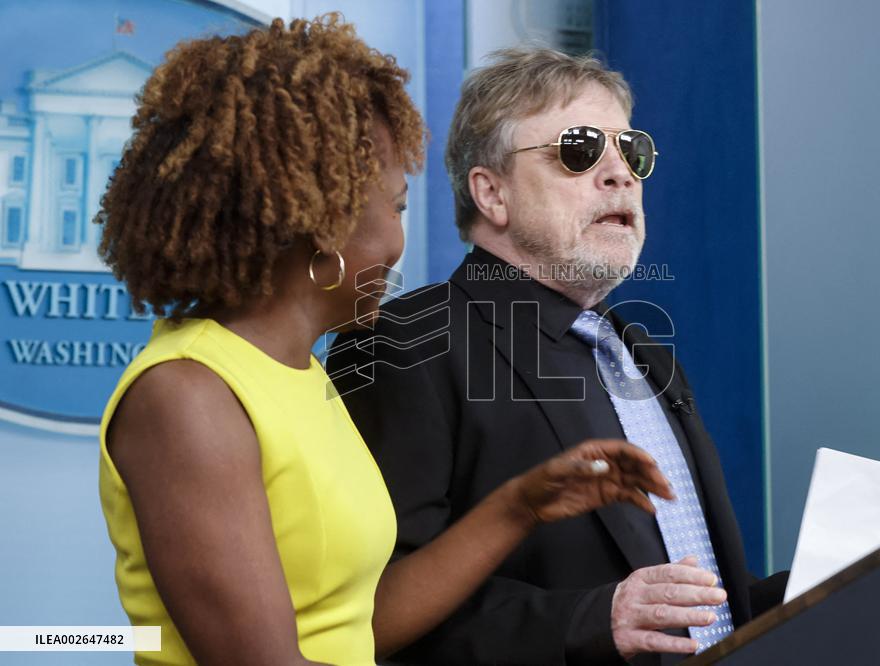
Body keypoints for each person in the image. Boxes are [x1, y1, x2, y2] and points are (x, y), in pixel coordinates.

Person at [96, 18, 675, 666]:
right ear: (323, 221)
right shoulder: (188, 396)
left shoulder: (303, 376)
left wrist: (520, 506)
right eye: (396, 208)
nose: (402, 241)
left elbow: (363, 625)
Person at [331, 47, 788, 665]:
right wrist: (590, 621)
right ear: (492, 193)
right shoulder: (405, 342)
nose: (621, 175)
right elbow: (373, 611)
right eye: (579, 150)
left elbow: (697, 603)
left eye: (632, 152)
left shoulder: (644, 355)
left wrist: (832, 583)